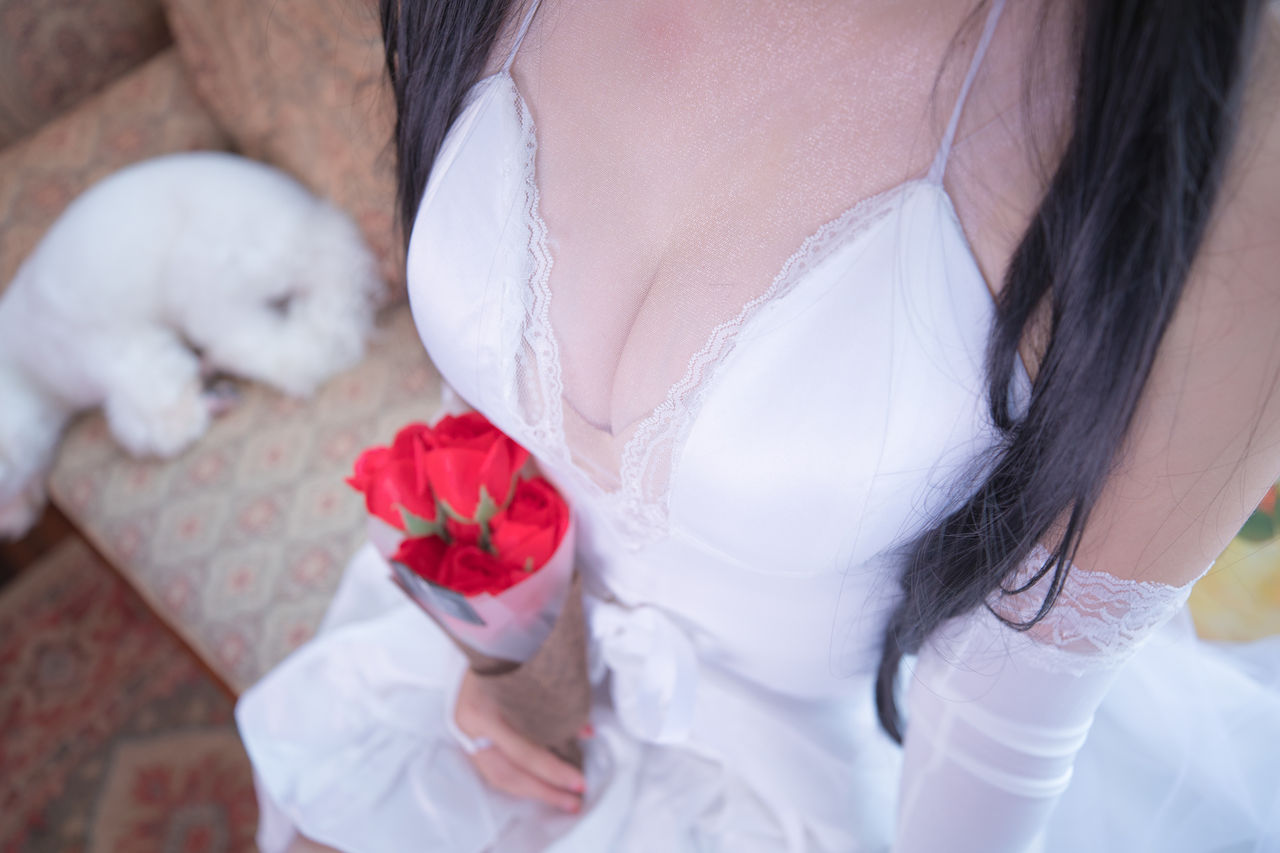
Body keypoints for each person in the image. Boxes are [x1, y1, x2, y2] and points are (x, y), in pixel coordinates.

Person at [235, 0, 1280, 850]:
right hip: (507, 654)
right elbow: (480, 388)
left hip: (840, 789)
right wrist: (504, 655)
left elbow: (1003, 707)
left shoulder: (1221, 114)